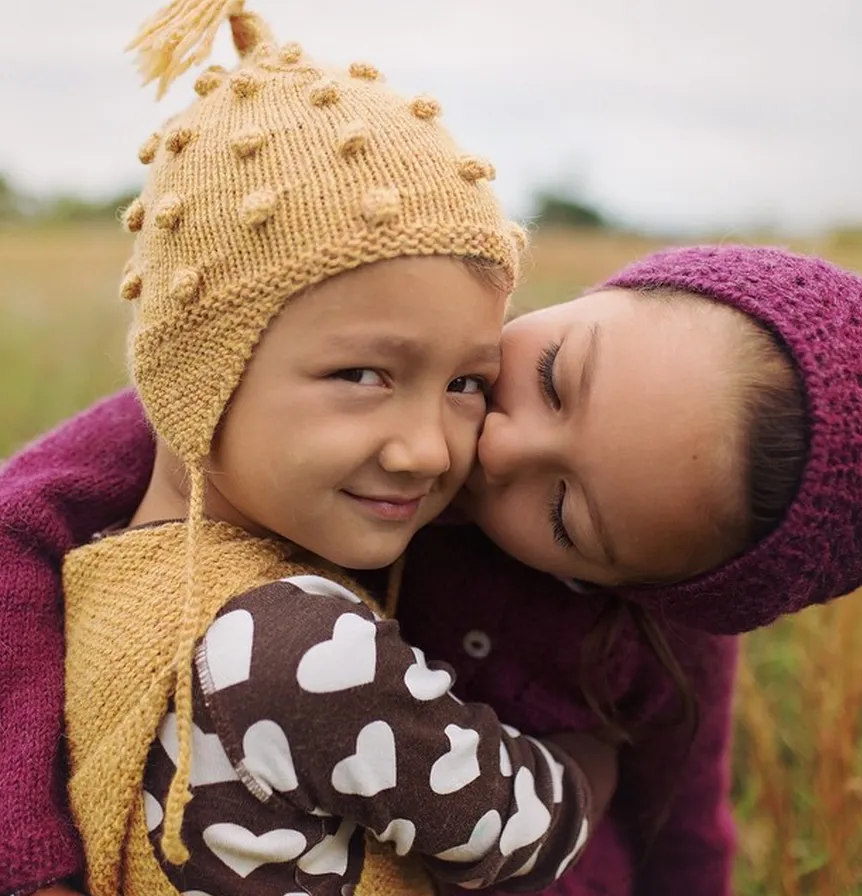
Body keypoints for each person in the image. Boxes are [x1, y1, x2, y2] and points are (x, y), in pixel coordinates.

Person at [13, 3, 619, 896]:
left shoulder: (101, 580)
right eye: (363, 375)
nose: (425, 451)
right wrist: (599, 758)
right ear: (195, 375)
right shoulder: (294, 642)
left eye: (464, 383)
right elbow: (524, 831)